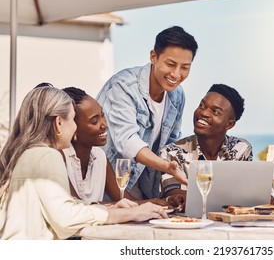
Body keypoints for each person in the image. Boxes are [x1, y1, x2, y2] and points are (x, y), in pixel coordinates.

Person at [0, 87, 167, 240]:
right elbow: (65, 218)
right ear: (59, 123)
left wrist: (112, 209)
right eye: (73, 120)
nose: (74, 128)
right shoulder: (47, 155)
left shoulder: (28, 154)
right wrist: (131, 214)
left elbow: (63, 205)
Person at [96, 26, 198, 200]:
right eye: (171, 64)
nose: (176, 74)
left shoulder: (178, 96)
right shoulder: (124, 86)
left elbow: (170, 145)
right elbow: (128, 142)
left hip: (143, 185)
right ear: (153, 56)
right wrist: (166, 166)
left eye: (185, 67)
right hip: (106, 183)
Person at [62, 86, 170, 206]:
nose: (105, 124)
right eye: (94, 121)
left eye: (103, 115)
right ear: (73, 127)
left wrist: (160, 202)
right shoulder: (59, 158)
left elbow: (125, 200)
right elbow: (76, 206)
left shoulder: (99, 156)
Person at [160, 84, 253, 210]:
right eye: (202, 106)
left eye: (215, 112)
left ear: (229, 124)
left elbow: (247, 195)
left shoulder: (240, 149)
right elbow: (176, 195)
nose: (203, 113)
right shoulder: (172, 152)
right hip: (187, 224)